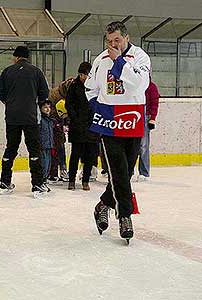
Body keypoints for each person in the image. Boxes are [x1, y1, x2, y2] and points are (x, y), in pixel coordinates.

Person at [85, 21, 151, 243]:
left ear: (127, 38)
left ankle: (103, 204)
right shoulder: (99, 60)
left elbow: (139, 85)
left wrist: (119, 62)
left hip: (132, 121)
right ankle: (125, 216)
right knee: (118, 171)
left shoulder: (141, 57)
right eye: (109, 41)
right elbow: (90, 88)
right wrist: (98, 107)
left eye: (117, 40)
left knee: (126, 173)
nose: (112, 45)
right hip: (109, 122)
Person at [0, 45, 50, 197]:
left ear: (16, 57)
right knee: (34, 149)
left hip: (12, 116)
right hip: (30, 117)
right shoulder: (36, 72)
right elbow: (44, 93)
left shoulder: (7, 72)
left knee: (11, 148)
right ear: (27, 57)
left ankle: (5, 181)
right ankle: (37, 184)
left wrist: (9, 101)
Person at [65, 62, 100, 191]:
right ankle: (72, 180)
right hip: (77, 126)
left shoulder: (96, 86)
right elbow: (69, 105)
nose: (84, 77)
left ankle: (85, 180)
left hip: (92, 126)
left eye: (87, 75)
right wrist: (76, 118)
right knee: (75, 154)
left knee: (90, 155)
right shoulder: (73, 86)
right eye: (82, 75)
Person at [137, 79, 159, 181]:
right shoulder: (135, 85)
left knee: (143, 146)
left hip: (145, 117)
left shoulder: (152, 87)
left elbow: (155, 104)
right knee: (131, 145)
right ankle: (129, 170)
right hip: (134, 116)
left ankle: (144, 172)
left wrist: (152, 119)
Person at [39, 100, 54, 184]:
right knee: (44, 163)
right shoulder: (40, 120)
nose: (48, 109)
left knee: (48, 164)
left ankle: (45, 178)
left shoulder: (50, 120)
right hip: (43, 146)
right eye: (45, 107)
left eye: (49, 107)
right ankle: (42, 179)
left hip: (49, 145)